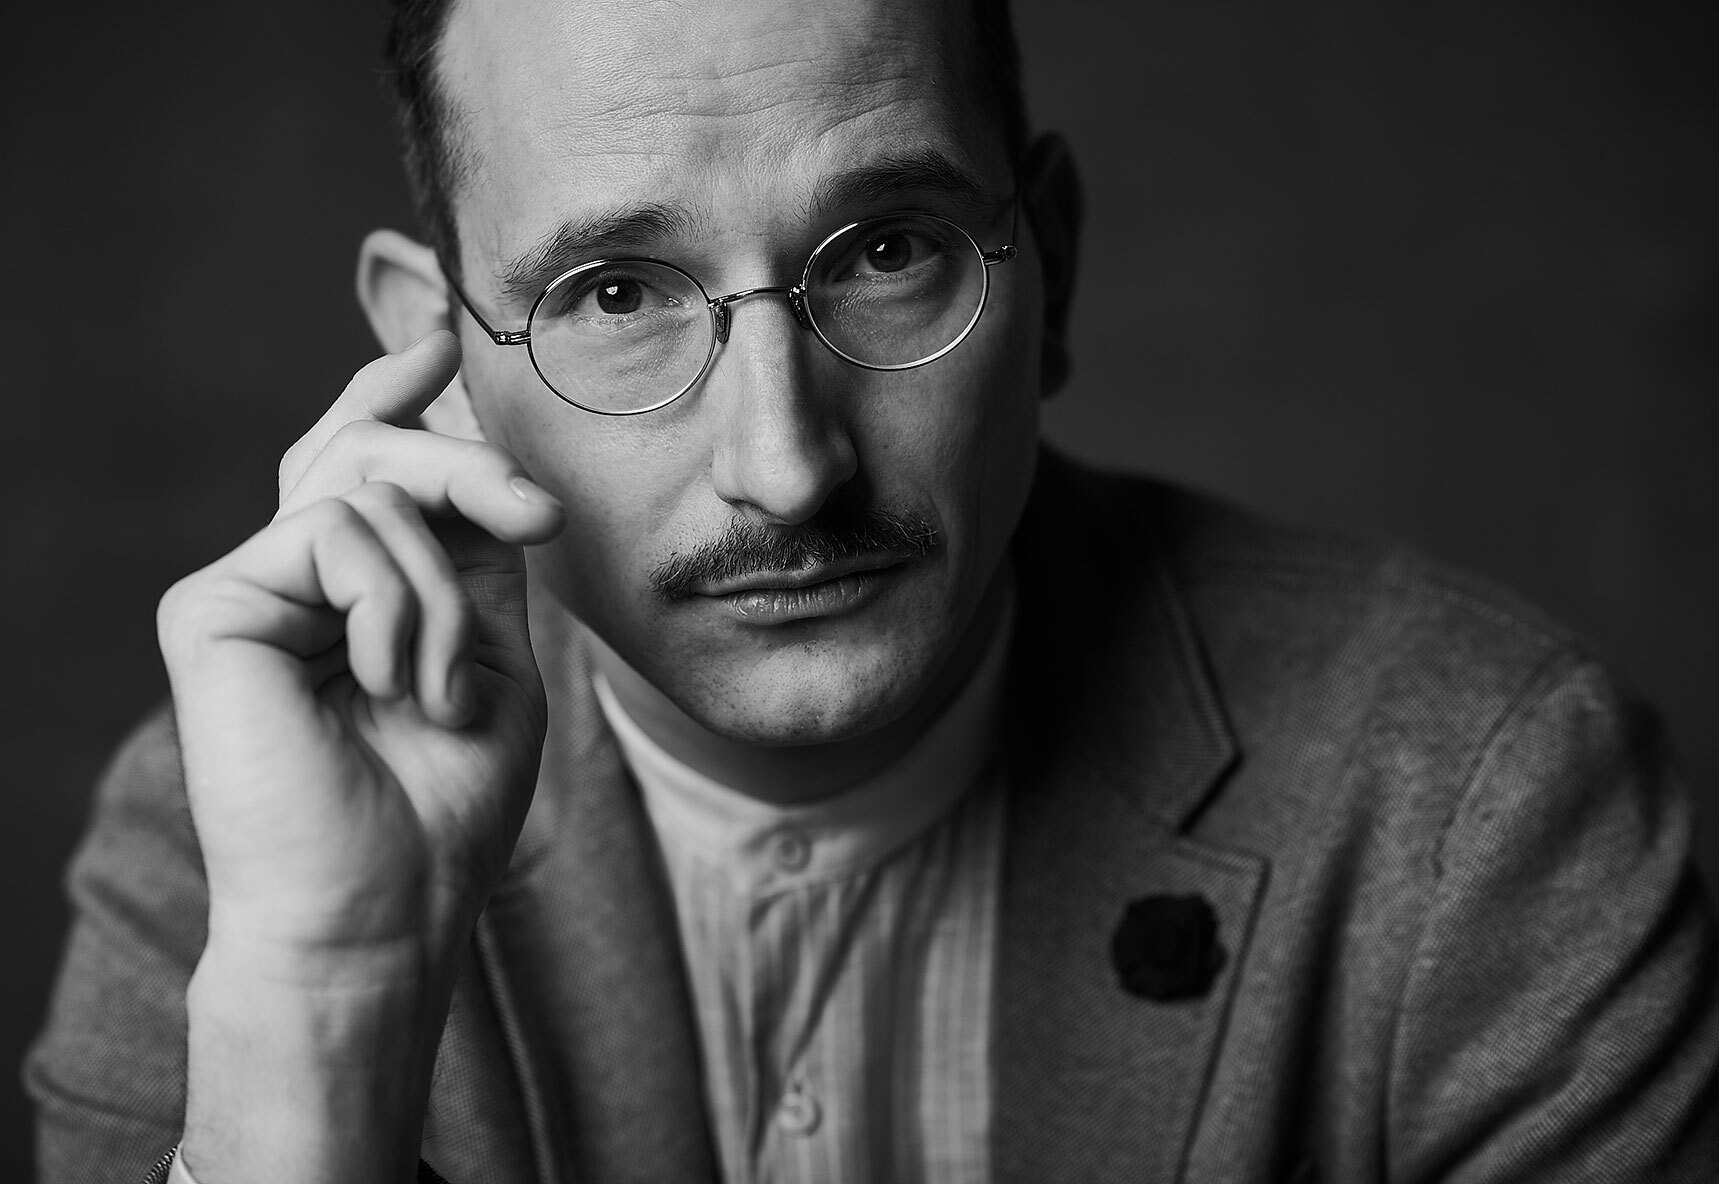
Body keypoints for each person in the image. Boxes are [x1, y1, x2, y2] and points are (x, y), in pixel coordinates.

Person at [25, 0, 1719, 1179]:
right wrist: (324, 1012)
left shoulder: (1479, 796)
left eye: (890, 250)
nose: (787, 466)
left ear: (1054, 269)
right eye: (617, 292)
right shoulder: (239, 846)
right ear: (433, 359)